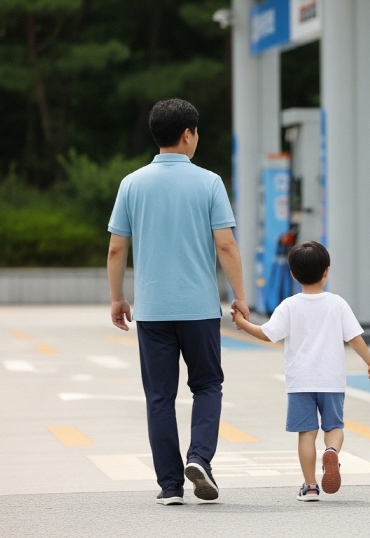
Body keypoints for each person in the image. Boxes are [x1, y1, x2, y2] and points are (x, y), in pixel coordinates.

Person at [107, 98, 248, 505]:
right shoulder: (209, 182)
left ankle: (169, 485)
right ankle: (200, 457)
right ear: (188, 134)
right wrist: (239, 297)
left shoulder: (132, 183)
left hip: (151, 310)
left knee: (159, 397)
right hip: (199, 308)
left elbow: (117, 249)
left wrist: (118, 298)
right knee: (207, 385)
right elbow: (226, 245)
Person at [231, 241, 370, 502]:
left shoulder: (289, 305)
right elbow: (355, 338)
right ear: (327, 272)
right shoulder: (337, 303)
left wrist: (243, 323)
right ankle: (331, 450)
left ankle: (310, 486)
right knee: (334, 426)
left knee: (307, 433)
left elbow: (267, 334)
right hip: (331, 380)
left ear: (293, 275)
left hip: (300, 381)